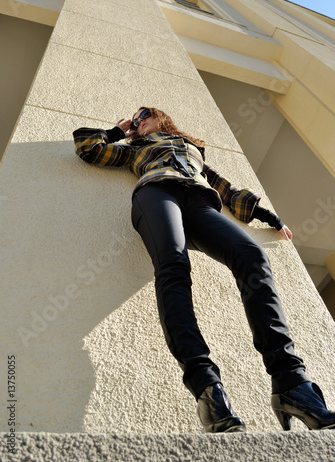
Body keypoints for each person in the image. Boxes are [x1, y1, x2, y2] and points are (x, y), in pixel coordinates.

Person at [73, 107, 335, 433]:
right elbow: (87, 147)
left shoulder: (193, 149)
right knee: (173, 264)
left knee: (252, 256)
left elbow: (227, 191)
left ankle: (291, 384)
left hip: (200, 201)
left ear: (161, 117)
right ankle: (208, 390)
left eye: (143, 116)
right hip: (157, 194)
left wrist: (270, 218)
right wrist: (117, 132)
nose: (138, 122)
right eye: (135, 121)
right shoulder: (133, 149)